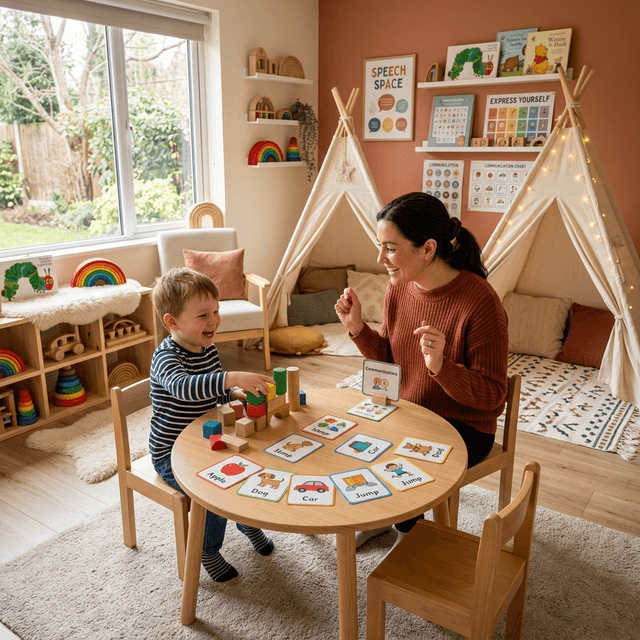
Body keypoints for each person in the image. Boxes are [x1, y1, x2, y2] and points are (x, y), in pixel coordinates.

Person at [335, 192, 509, 548]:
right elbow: (388, 361)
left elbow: (493, 397)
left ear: (428, 249)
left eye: (390, 248)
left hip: (465, 425)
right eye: (380, 246)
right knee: (352, 440)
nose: (380, 258)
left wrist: (441, 367)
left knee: (394, 457)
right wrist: (357, 329)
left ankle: (409, 532)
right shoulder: (398, 290)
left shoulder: (481, 303)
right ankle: (383, 518)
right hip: (412, 412)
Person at [150, 267, 276, 582]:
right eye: (204, 315)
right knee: (212, 489)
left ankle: (247, 520)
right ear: (172, 322)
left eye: (217, 311)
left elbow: (215, 390)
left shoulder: (208, 349)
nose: (214, 321)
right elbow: (184, 387)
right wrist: (231, 377)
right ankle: (207, 549)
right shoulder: (166, 357)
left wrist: (234, 392)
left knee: (250, 463)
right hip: (172, 451)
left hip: (207, 438)